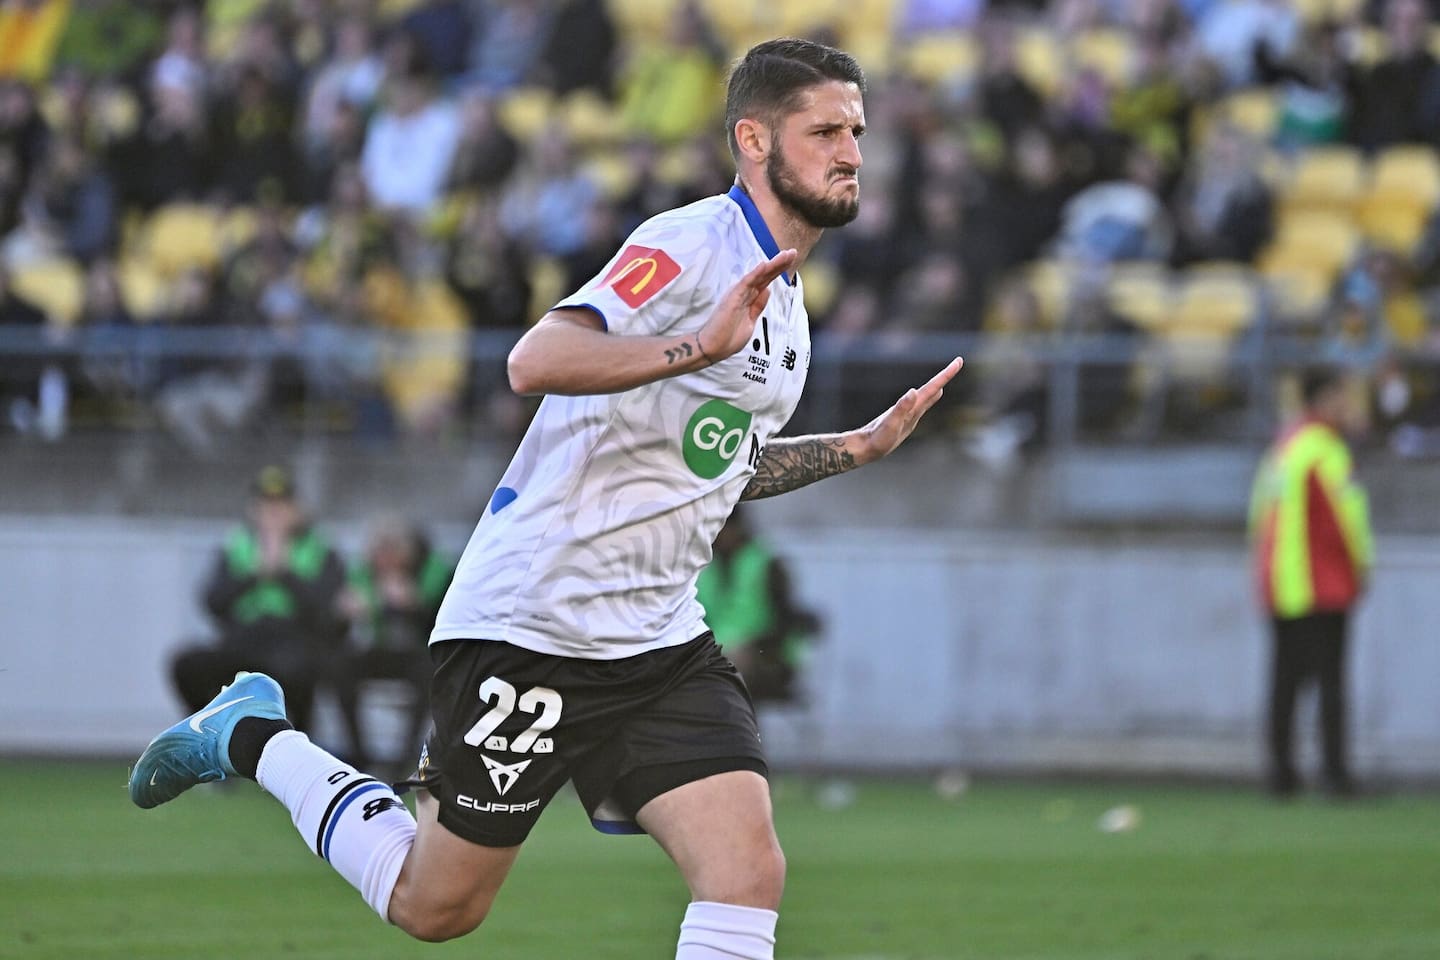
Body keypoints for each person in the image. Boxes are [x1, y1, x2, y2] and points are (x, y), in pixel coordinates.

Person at [129, 38, 962, 958]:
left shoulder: (791, 302)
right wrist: (696, 350)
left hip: (655, 638)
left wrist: (855, 447)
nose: (851, 151)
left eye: (857, 130)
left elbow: (719, 464)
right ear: (755, 141)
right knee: (436, 908)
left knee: (747, 869)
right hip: (535, 624)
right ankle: (252, 733)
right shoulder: (688, 246)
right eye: (825, 131)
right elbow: (537, 359)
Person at [1248, 367, 1374, 798]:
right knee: (1330, 684)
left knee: (1285, 682)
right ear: (1326, 397)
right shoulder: (1326, 450)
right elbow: (1348, 519)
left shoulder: (1282, 449)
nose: (1349, 406)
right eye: (1343, 396)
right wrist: (1362, 567)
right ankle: (1335, 775)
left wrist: (1267, 573)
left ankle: (1281, 775)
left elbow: (1258, 516)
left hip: (1281, 582)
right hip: (1324, 583)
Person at [168, 464, 348, 735]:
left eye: (281, 505)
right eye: (265, 505)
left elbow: (326, 611)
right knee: (187, 665)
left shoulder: (321, 548)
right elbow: (213, 602)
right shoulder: (237, 545)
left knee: (302, 672)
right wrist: (254, 574)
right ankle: (211, 738)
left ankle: (294, 749)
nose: (273, 513)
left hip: (293, 641)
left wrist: (284, 572)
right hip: (243, 639)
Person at [332, 515, 454, 773]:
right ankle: (358, 754)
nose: (386, 560)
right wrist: (346, 612)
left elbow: (442, 625)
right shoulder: (362, 573)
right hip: (376, 651)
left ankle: (405, 755)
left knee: (429, 676)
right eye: (380, 552)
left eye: (392, 551)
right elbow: (337, 628)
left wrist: (414, 606)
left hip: (416, 653)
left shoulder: (433, 571)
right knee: (340, 669)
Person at [696, 507, 818, 703]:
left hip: (767, 658)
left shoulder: (766, 563)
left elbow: (785, 619)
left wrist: (754, 646)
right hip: (717, 655)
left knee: (725, 667)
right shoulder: (705, 567)